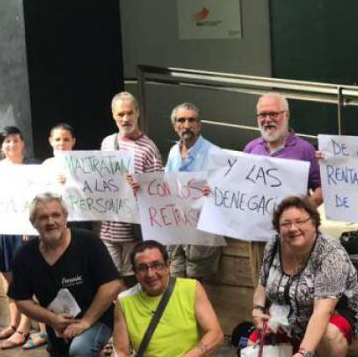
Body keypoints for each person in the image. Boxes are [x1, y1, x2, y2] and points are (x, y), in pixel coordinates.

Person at [8, 193, 123, 357]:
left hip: (96, 319)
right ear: (33, 223)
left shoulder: (87, 242)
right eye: (43, 217)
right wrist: (51, 320)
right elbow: (20, 299)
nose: (50, 222)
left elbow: (112, 284)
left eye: (55, 215)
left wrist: (86, 322)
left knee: (81, 349)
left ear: (66, 217)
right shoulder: (25, 255)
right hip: (58, 330)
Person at [250, 196, 358, 357]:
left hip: (334, 312)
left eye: (300, 221)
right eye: (286, 224)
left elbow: (323, 310)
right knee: (254, 342)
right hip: (288, 312)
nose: (293, 228)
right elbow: (263, 283)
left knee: (329, 334)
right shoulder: (274, 244)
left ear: (314, 222)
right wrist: (257, 309)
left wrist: (303, 354)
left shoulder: (330, 253)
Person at [243, 92, 323, 283]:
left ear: (286, 115)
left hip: (294, 235)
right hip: (259, 236)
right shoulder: (250, 148)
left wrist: (301, 214)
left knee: (296, 288)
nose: (267, 120)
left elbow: (321, 189)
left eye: (273, 114)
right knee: (261, 286)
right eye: (262, 115)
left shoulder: (305, 149)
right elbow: (239, 188)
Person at [0, 126, 40, 349]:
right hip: (2, 230)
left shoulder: (34, 168)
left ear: (23, 143)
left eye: (15, 140)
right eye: (7, 141)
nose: (11, 145)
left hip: (25, 232)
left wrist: (29, 225)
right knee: (9, 278)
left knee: (25, 280)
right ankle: (13, 322)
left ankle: (25, 327)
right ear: (1, 147)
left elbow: (40, 199)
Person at [99, 92, 162, 280]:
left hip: (132, 232)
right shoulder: (107, 143)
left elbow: (158, 190)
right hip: (108, 228)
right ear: (113, 114)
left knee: (130, 281)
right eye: (120, 114)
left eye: (129, 113)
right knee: (108, 280)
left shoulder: (148, 148)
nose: (125, 119)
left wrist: (141, 186)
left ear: (137, 113)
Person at [164, 102, 223, 281]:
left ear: (199, 124)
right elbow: (166, 185)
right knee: (174, 278)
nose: (187, 125)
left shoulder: (215, 153)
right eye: (181, 120)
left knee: (195, 283)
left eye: (192, 120)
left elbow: (224, 192)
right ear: (175, 126)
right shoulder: (173, 152)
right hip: (176, 228)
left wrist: (214, 190)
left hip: (200, 231)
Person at [43, 122, 93, 233]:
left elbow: (93, 189)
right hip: (54, 218)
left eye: (66, 139)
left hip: (80, 218)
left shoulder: (84, 164)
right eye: (57, 139)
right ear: (51, 141)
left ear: (73, 141)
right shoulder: (47, 165)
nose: (62, 143)